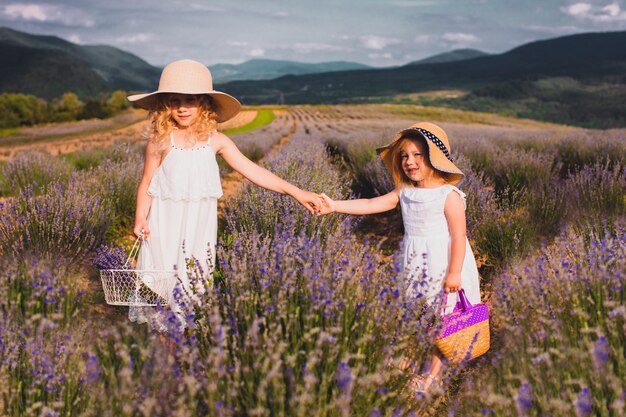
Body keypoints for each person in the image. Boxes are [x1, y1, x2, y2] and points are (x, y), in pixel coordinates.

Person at [127, 59, 322, 330]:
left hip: (198, 229)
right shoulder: (160, 140)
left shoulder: (216, 141)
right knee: (162, 287)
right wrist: (140, 217)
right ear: (165, 105)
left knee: (191, 286)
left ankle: (187, 349)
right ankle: (164, 353)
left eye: (191, 100)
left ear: (204, 104)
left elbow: (253, 171)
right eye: (175, 100)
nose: (182, 107)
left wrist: (296, 192)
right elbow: (147, 180)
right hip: (164, 225)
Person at [317, 121, 481, 394]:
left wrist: (454, 272)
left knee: (444, 318)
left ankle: (433, 376)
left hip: (445, 263)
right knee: (421, 314)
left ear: (434, 159)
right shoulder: (404, 191)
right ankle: (413, 359)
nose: (409, 161)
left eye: (417, 155)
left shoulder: (448, 195)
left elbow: (458, 236)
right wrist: (334, 205)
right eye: (404, 156)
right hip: (416, 262)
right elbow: (371, 204)